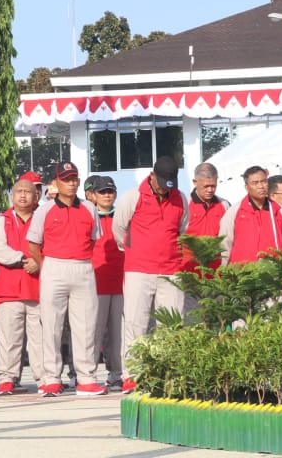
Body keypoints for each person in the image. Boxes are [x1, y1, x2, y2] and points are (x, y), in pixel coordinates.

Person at [27, 161, 106, 397]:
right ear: (56, 183)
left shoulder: (89, 209)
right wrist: (47, 267)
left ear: (79, 182)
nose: (71, 183)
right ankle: (51, 378)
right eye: (66, 179)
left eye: (74, 179)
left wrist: (77, 257)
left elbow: (93, 240)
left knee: (86, 325)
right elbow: (33, 245)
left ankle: (86, 378)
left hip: (82, 266)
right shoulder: (44, 210)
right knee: (51, 324)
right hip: (54, 265)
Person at [113, 157, 190, 394]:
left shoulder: (180, 198)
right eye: (162, 181)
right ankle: (132, 374)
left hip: (171, 270)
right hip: (139, 269)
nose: (166, 187)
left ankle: (168, 373)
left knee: (171, 323)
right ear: (152, 175)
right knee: (136, 322)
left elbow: (183, 229)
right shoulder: (133, 197)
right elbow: (119, 228)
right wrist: (134, 251)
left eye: (171, 182)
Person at [0, 178, 44, 396]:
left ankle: (44, 378)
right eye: (19, 191)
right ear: (12, 195)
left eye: (28, 192)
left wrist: (39, 263)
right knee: (9, 339)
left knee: (40, 339)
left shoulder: (42, 219)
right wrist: (23, 259)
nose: (23, 195)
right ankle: (7, 379)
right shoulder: (1, 221)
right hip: (8, 290)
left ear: (36, 196)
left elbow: (51, 247)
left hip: (37, 290)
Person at [85, 175, 124, 391]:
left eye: (110, 191)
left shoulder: (123, 217)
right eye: (102, 192)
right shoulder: (89, 216)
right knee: (93, 334)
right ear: (93, 195)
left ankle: (117, 375)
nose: (107, 195)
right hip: (95, 283)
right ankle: (87, 376)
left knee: (118, 336)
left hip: (120, 283)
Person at [219, 166, 282, 264]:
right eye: (255, 183)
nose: (261, 186)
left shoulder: (278, 210)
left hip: (271, 272)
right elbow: (225, 243)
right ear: (246, 187)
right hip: (243, 272)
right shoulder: (235, 211)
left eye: (264, 181)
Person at [183, 162, 229, 274]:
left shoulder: (224, 205)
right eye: (206, 186)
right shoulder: (183, 203)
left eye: (213, 186)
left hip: (216, 273)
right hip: (188, 271)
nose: (210, 190)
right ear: (195, 182)